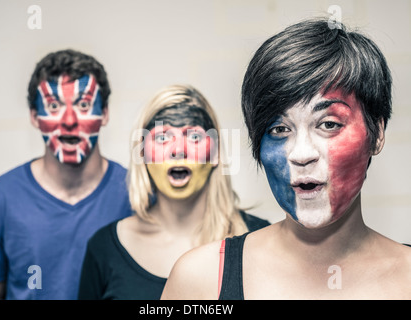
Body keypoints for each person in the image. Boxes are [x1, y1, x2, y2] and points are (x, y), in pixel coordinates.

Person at [161, 18, 411, 300]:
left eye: (328, 124)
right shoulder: (200, 280)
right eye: (280, 129)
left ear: (376, 133)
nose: (301, 154)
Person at [0, 49, 132, 299]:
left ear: (104, 113)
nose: (69, 120)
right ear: (34, 116)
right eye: (53, 106)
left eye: (84, 104)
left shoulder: (139, 195)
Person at [78, 84, 270, 300]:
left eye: (194, 137)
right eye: (162, 137)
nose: (178, 150)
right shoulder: (104, 248)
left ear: (215, 153)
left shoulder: (259, 239)